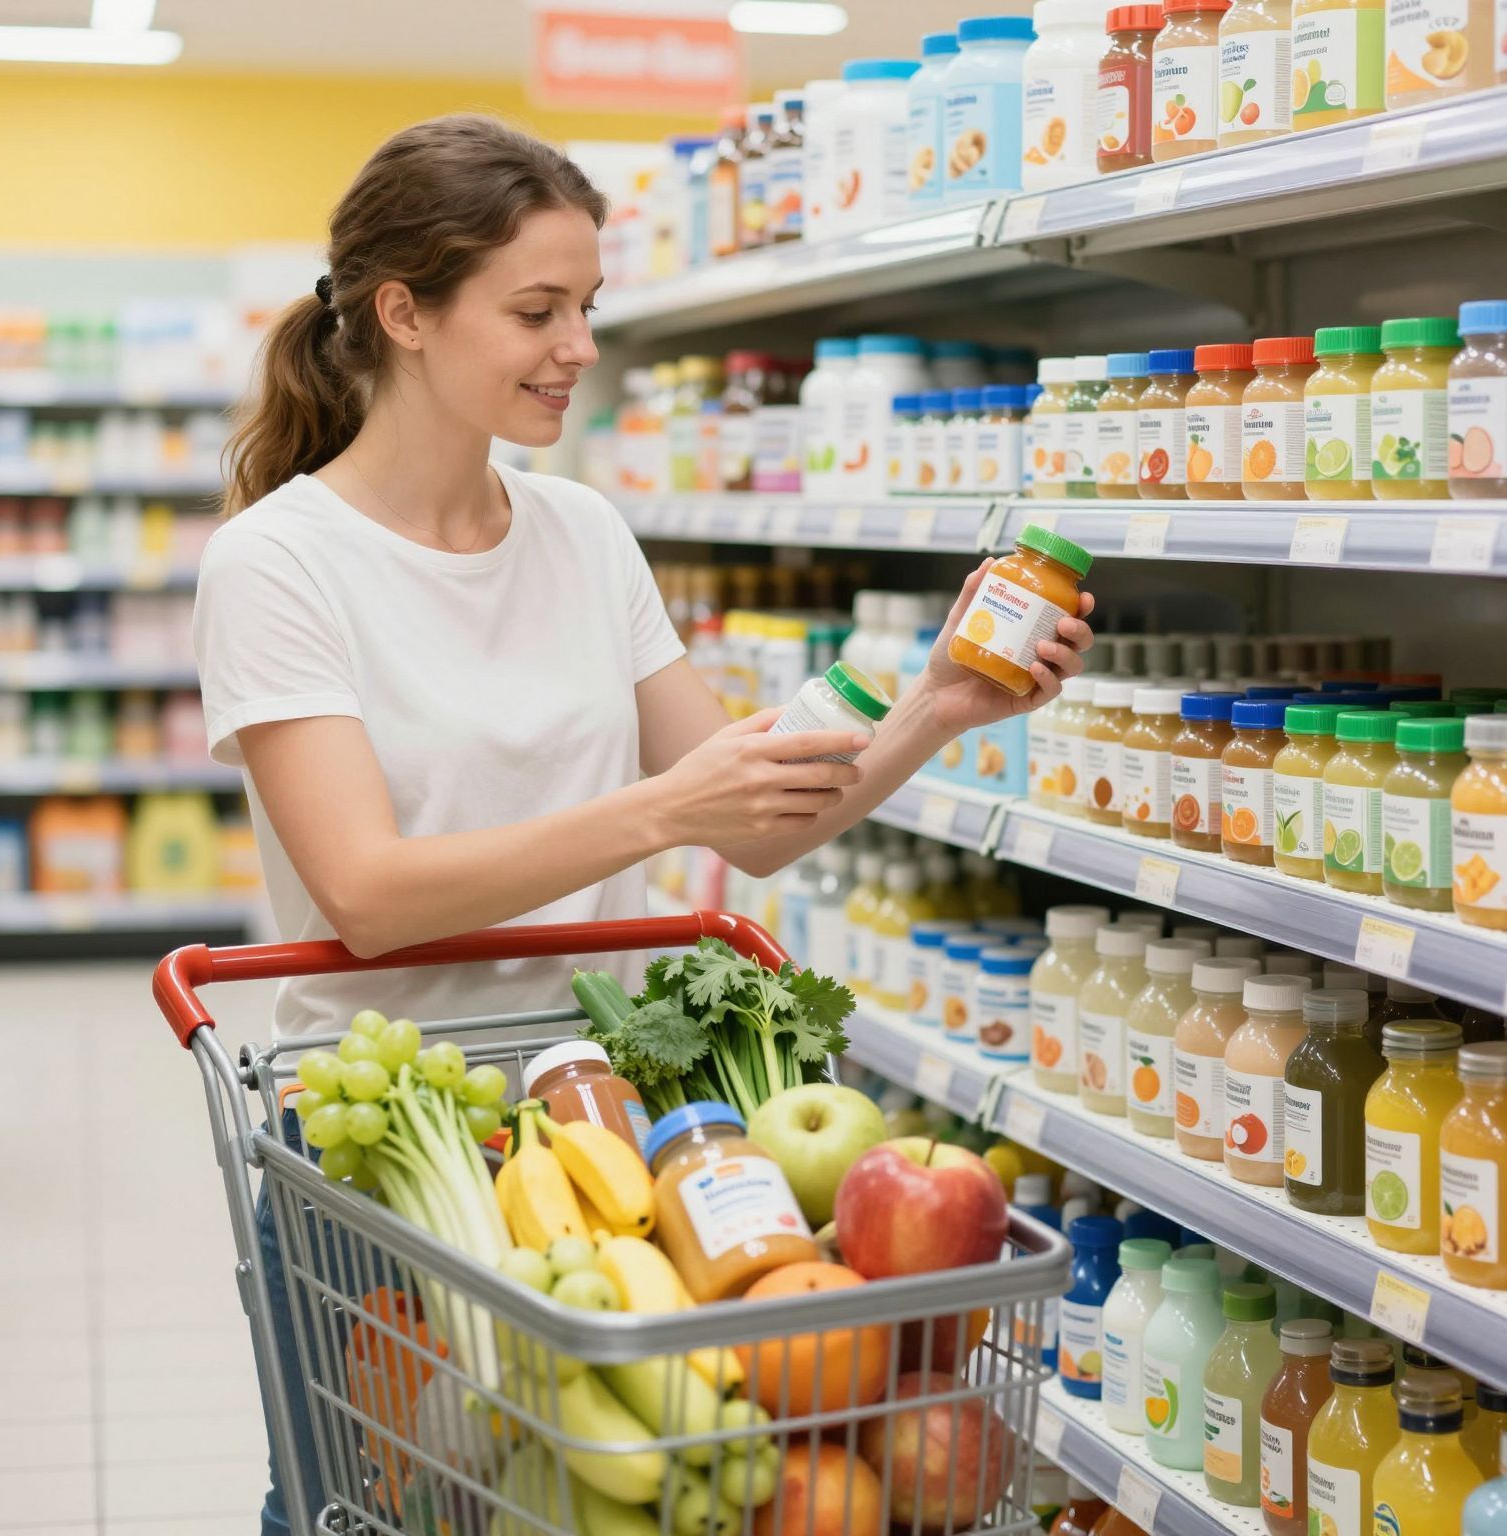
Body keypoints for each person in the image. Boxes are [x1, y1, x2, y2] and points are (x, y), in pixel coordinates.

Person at [193, 114, 1093, 1536]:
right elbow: (365, 893)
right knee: (384, 1507)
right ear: (404, 313)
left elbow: (762, 825)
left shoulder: (583, 533)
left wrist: (934, 708)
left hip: (600, 1118)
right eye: (535, 311)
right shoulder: (278, 562)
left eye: (586, 309)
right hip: (393, 1145)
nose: (577, 348)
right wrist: (662, 808)